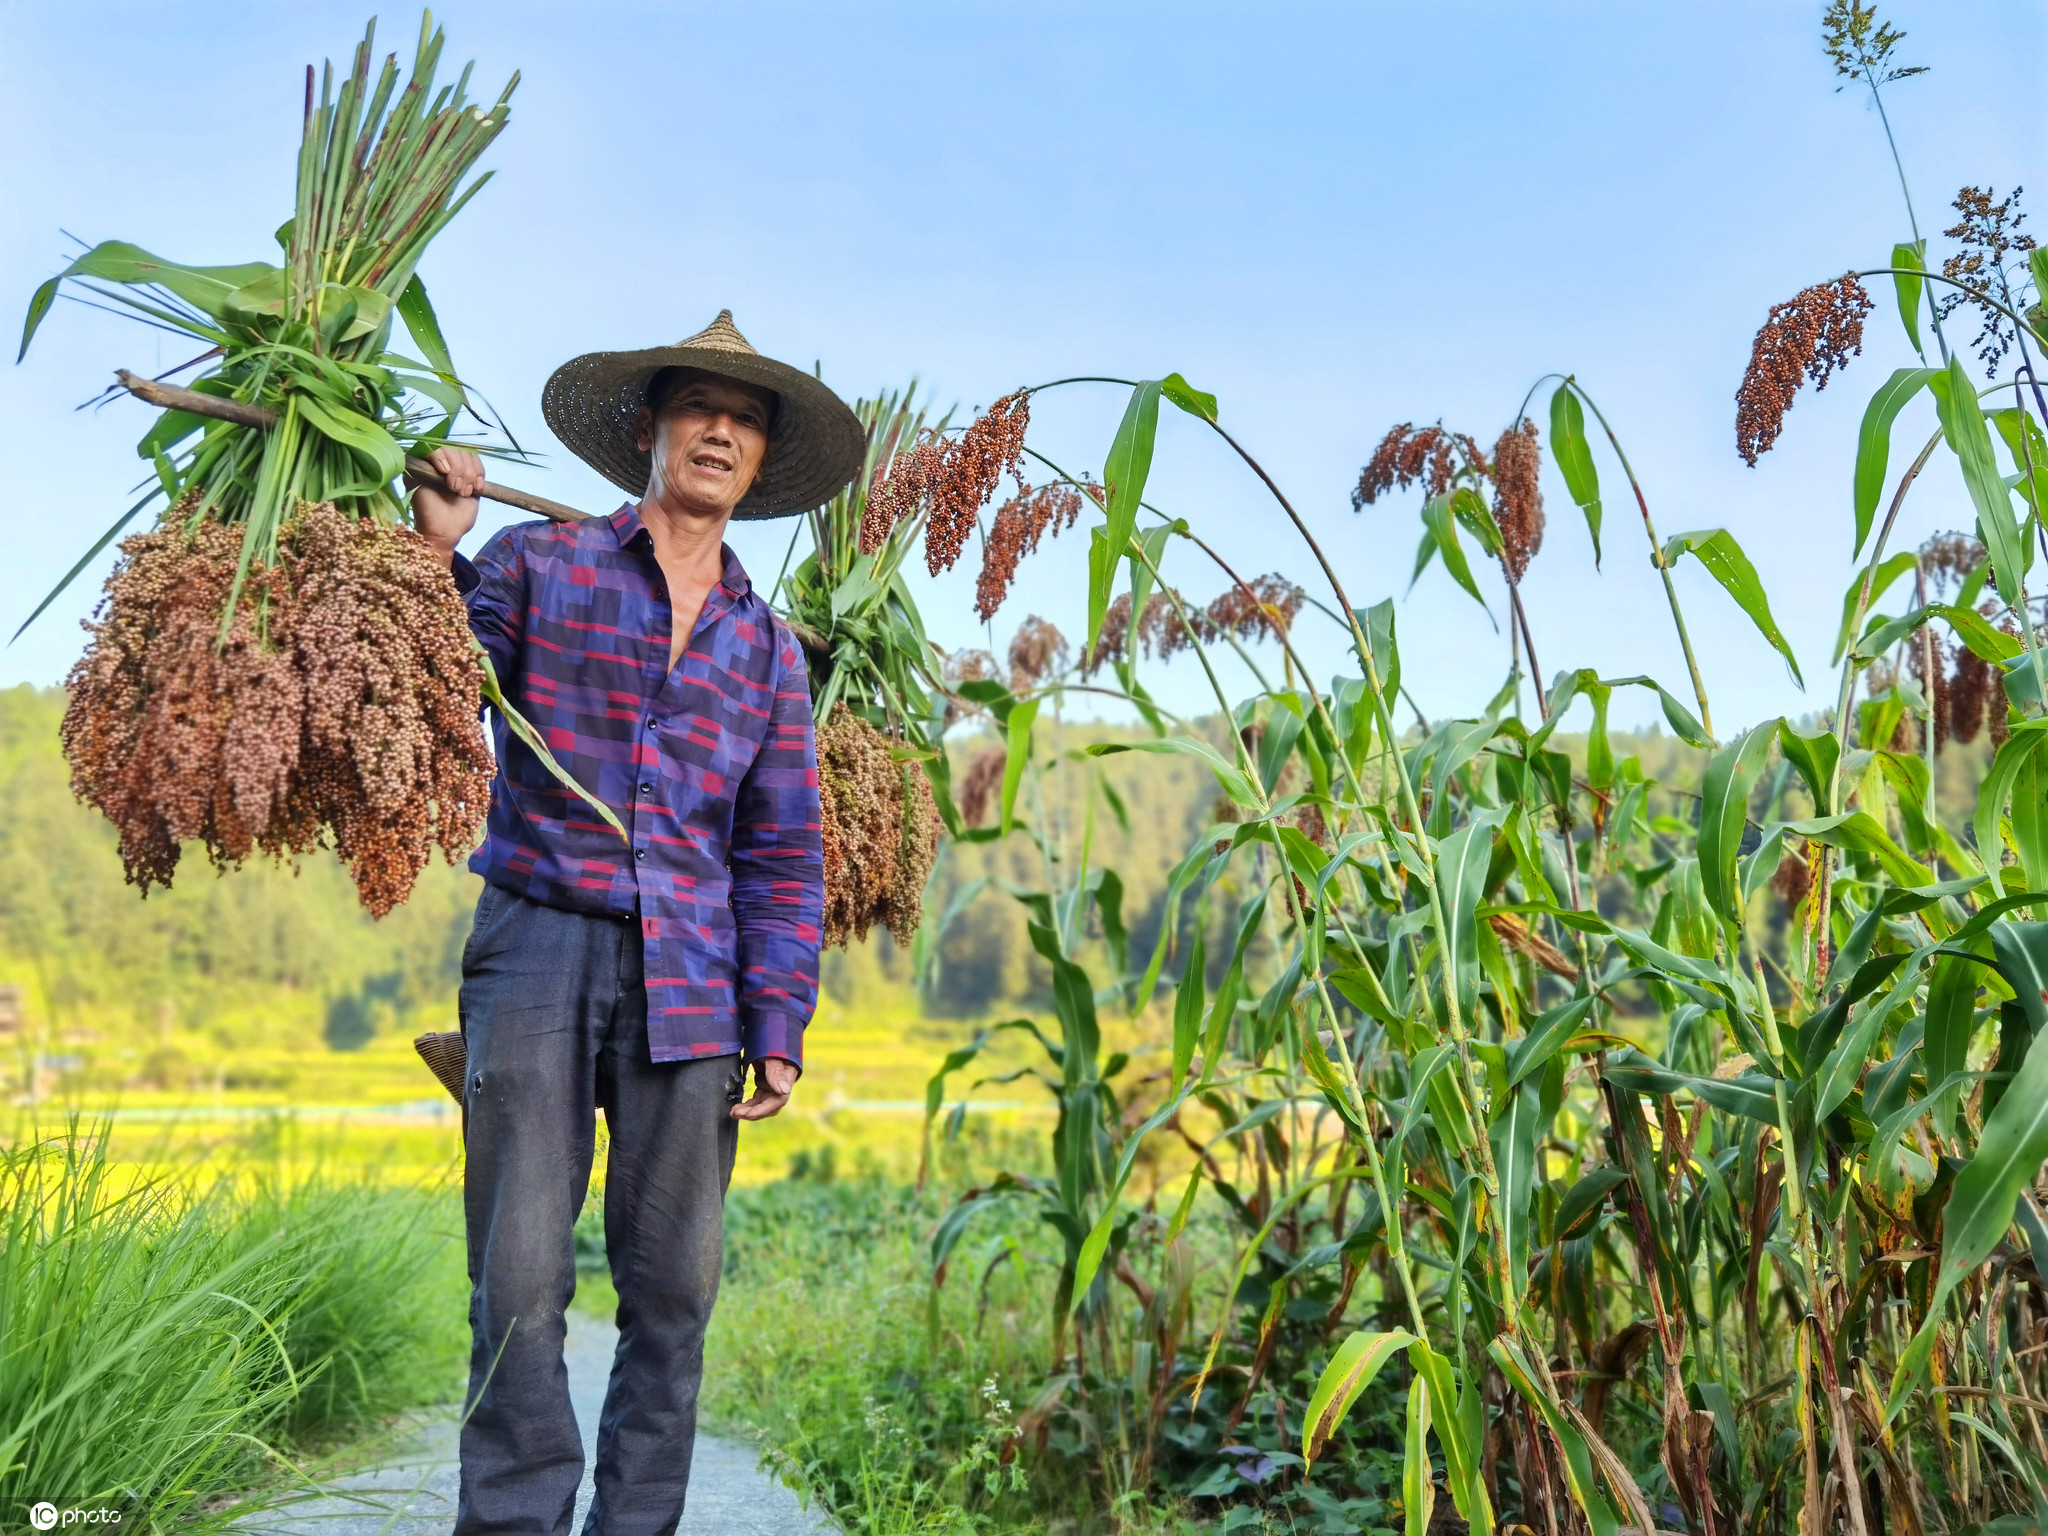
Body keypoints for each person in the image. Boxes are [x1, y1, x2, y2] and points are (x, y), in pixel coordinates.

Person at [409, 310, 863, 1536]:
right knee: (515, 1284)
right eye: (699, 406)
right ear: (652, 432)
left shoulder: (767, 652)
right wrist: (429, 546)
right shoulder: (539, 563)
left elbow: (778, 848)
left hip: (697, 980)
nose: (721, 428)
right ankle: (510, 1523)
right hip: (539, 943)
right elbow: (435, 686)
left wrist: (779, 1022)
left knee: (672, 1291)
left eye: (747, 417)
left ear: (761, 460)